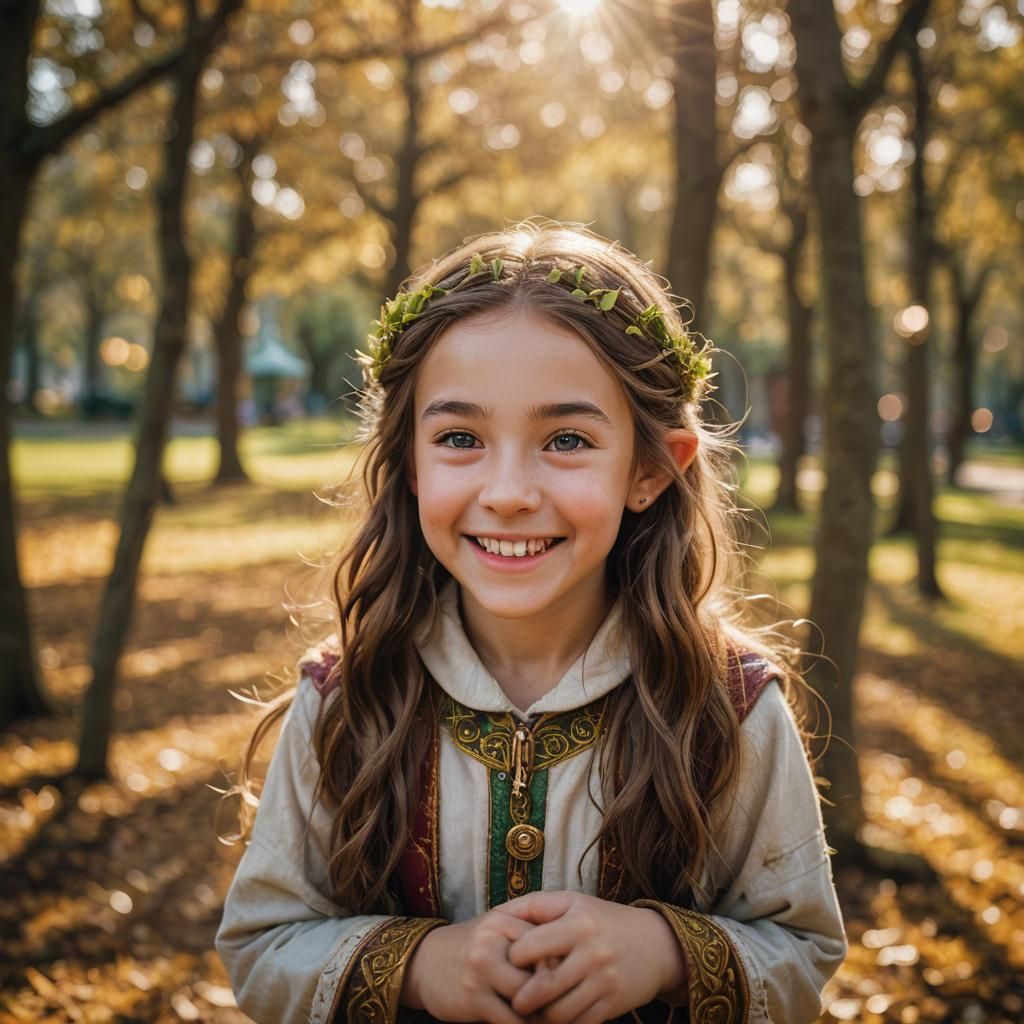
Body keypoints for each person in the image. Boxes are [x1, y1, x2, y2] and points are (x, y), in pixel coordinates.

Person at [215, 219, 848, 1024]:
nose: (509, 490)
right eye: (459, 438)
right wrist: (421, 966)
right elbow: (261, 945)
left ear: (652, 468)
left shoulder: (728, 706)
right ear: (409, 461)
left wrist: (662, 953)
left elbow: (804, 950)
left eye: (567, 439)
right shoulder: (346, 696)